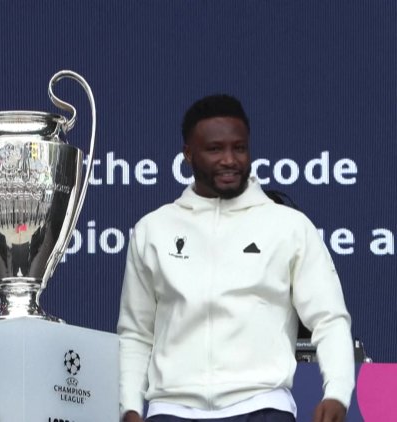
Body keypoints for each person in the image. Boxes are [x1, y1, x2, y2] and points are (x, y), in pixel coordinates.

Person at [118, 95, 354, 422]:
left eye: (239, 148)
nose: (230, 159)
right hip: (171, 411)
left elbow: (329, 319)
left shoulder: (288, 226)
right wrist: (129, 405)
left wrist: (338, 392)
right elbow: (137, 332)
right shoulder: (153, 229)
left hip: (262, 408)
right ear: (187, 154)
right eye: (215, 149)